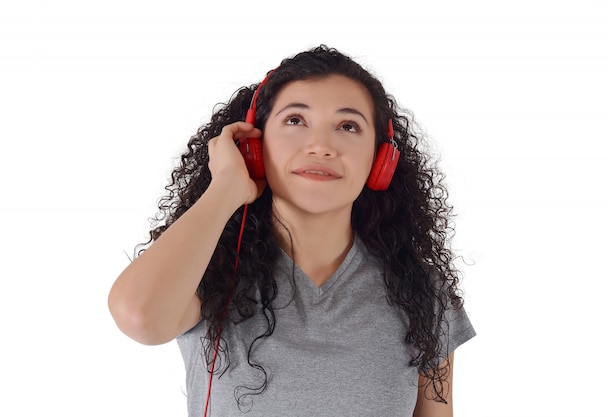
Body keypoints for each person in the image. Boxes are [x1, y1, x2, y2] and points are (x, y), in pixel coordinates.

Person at [108, 45, 475, 417]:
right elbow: (139, 317)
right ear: (254, 145)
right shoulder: (205, 270)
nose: (320, 146)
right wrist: (225, 190)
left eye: (348, 126)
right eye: (296, 120)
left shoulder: (422, 292)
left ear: (380, 161)